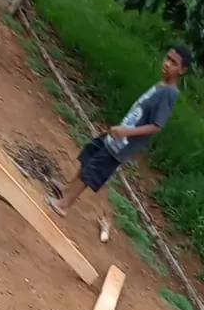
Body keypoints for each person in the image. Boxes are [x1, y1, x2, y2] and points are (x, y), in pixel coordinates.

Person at [47, 44, 192, 217]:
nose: (167, 64)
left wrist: (126, 132)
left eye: (174, 63)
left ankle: (64, 204)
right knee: (90, 155)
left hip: (123, 142)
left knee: (93, 168)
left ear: (182, 70)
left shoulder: (169, 93)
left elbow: (157, 126)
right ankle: (66, 189)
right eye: (168, 58)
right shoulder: (162, 85)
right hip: (119, 133)